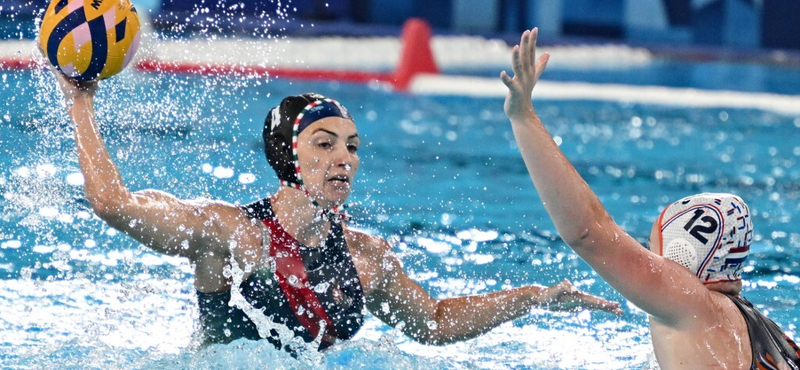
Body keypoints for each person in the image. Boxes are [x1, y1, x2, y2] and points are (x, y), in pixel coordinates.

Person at [48, 51, 621, 352]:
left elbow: (435, 323)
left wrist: (534, 298)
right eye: (324, 144)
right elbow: (113, 204)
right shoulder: (227, 233)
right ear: (286, 155)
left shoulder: (367, 257)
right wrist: (81, 104)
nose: (343, 158)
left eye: (351, 146)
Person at [502, 27, 800, 369]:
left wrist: (522, 116)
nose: (646, 258)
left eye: (651, 247)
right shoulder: (771, 336)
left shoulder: (687, 300)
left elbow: (589, 232)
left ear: (680, 255)